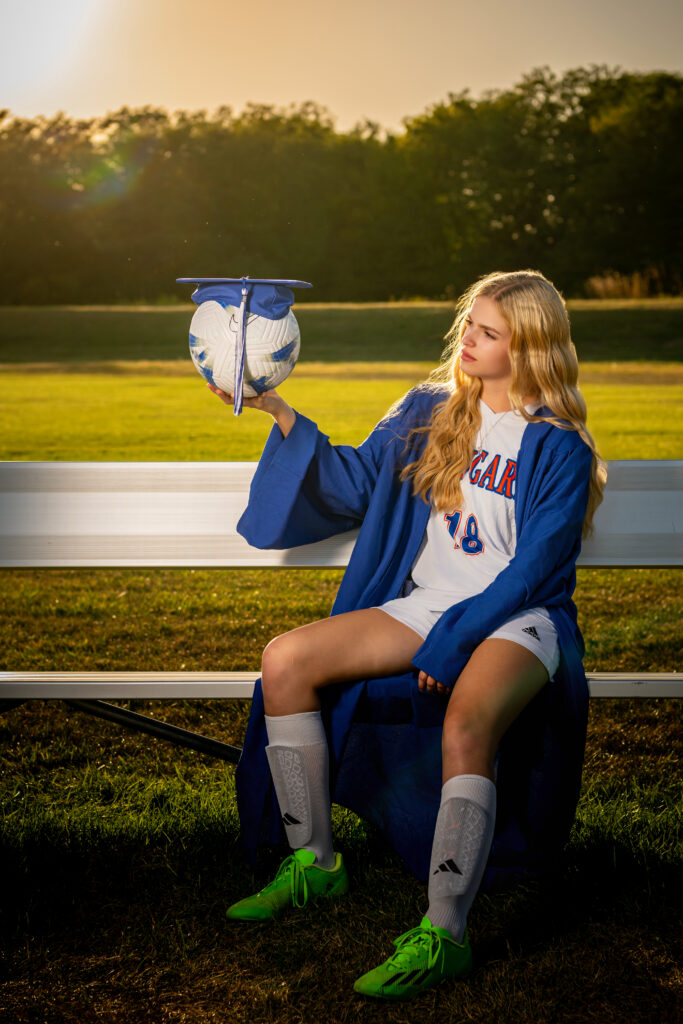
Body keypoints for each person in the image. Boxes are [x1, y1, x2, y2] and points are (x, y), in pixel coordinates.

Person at [207, 269, 606, 1001]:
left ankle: (443, 931)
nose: (468, 343)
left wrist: (456, 640)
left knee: (467, 719)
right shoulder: (429, 409)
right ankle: (315, 864)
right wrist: (278, 410)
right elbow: (354, 480)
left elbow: (536, 570)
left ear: (531, 346)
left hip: (517, 617)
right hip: (425, 603)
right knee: (286, 661)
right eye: (469, 328)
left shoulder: (559, 446)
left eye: (488, 333)